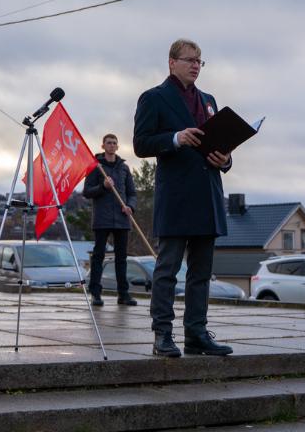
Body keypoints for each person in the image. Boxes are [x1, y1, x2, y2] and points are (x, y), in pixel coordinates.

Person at [133, 38, 233, 357]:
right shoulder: (153, 98)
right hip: (176, 198)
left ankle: (196, 333)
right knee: (167, 271)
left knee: (201, 273)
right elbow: (141, 144)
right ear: (171, 62)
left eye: (199, 61)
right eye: (189, 59)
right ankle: (162, 334)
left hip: (207, 197)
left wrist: (226, 159)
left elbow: (221, 146)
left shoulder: (209, 100)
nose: (195, 65)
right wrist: (175, 138)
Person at [82, 133, 138, 307]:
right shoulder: (95, 167)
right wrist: (103, 187)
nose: (112, 145)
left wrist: (130, 206)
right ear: (103, 145)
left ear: (118, 147)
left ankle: (123, 294)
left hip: (122, 218)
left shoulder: (123, 168)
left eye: (114, 143)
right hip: (102, 218)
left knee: (122, 258)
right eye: (109, 143)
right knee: (98, 256)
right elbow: (87, 192)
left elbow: (132, 193)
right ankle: (96, 294)